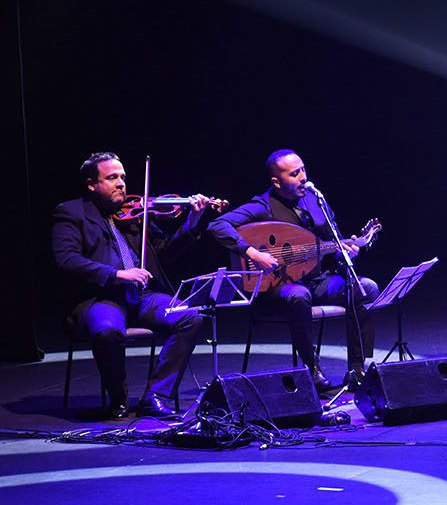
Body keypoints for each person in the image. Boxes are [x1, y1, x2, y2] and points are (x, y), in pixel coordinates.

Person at [52, 152, 211, 419]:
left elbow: (165, 253)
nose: (121, 184)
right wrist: (116, 274)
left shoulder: (136, 214)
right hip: (102, 298)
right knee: (107, 331)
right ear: (92, 184)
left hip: (144, 296)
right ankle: (120, 400)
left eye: (123, 177)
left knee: (190, 316)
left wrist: (193, 222)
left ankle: (156, 396)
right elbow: (66, 260)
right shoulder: (71, 212)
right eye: (112, 177)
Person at [208, 149, 378, 391]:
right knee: (299, 295)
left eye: (303, 170)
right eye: (294, 173)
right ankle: (312, 368)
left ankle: (357, 369)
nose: (303, 177)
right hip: (278, 288)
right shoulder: (262, 206)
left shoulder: (315, 200)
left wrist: (348, 249)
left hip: (316, 280)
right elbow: (218, 225)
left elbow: (336, 242)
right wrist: (252, 253)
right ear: (276, 182)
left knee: (366, 288)